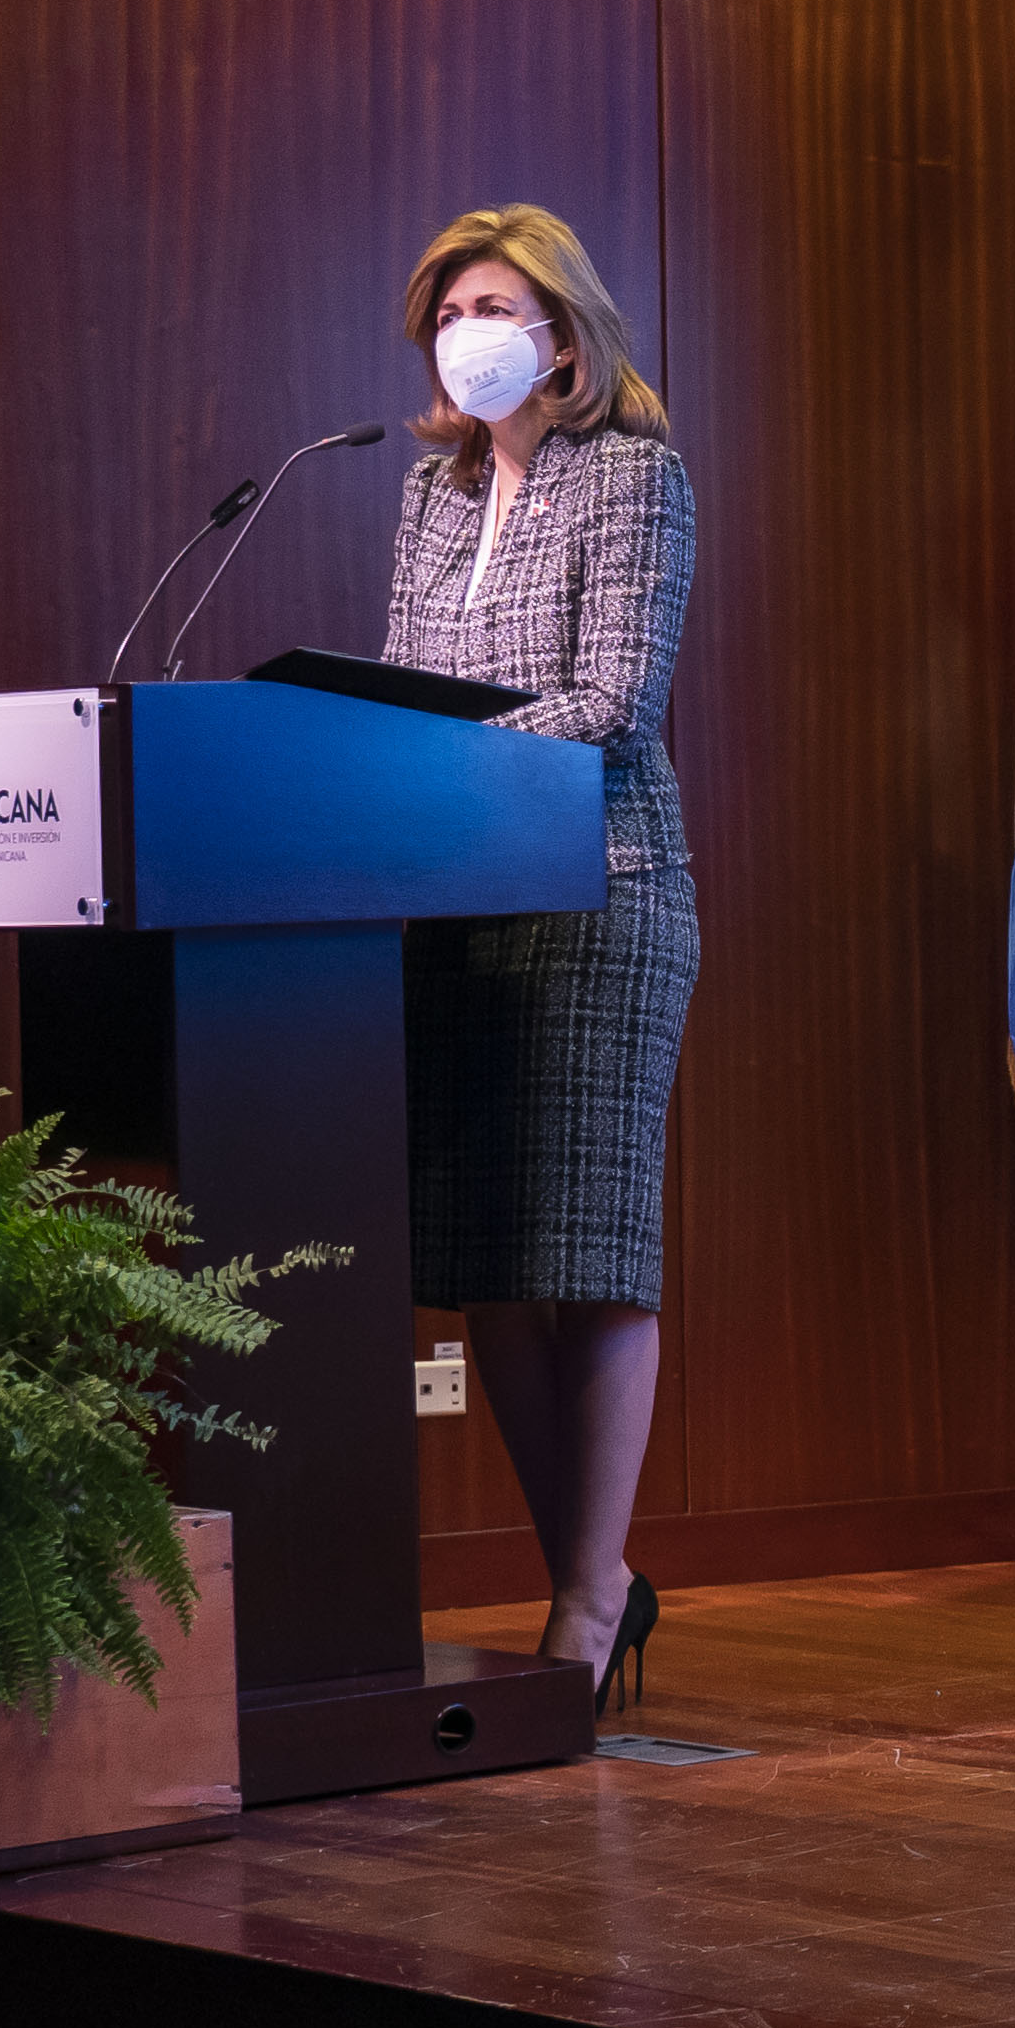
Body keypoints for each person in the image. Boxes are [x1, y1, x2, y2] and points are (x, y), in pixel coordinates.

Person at [379, 204, 697, 1708]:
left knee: (593, 1251)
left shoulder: (633, 476)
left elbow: (613, 700)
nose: (469, 334)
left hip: (599, 891)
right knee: (491, 1263)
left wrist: (439, 758)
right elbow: (404, 682)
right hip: (457, 903)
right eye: (449, 313)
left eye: (495, 307)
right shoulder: (431, 494)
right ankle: (590, 1574)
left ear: (563, 335)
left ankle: (586, 1599)